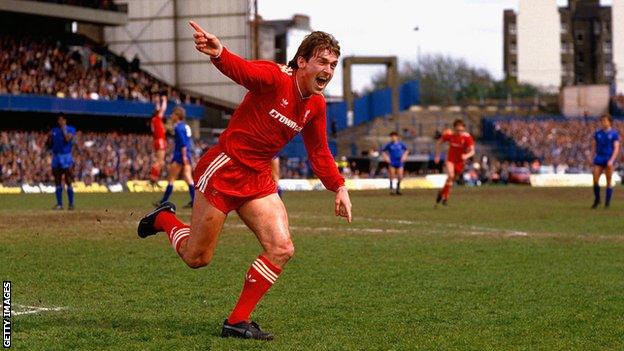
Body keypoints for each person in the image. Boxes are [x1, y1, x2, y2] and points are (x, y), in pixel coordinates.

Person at [137, 22, 352, 340]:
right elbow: (244, 71)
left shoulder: (316, 105)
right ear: (302, 61)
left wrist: (339, 186)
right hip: (224, 170)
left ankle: (237, 321)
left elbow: (319, 152)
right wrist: (220, 53)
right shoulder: (275, 78)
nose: (329, 70)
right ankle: (164, 219)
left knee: (281, 248)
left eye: (333, 64)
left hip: (258, 177)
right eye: (323, 62)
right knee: (197, 258)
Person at [156, 106, 195, 208]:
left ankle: (163, 201)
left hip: (180, 155)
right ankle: (194, 200)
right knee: (189, 178)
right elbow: (188, 142)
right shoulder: (186, 126)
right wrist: (187, 156)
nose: (171, 116)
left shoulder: (178, 127)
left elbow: (182, 143)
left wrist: (183, 156)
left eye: (173, 114)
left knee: (171, 178)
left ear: (177, 116)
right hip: (187, 154)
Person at [434, 119, 474, 206]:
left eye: (461, 130)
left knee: (451, 180)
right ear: (454, 128)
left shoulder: (467, 137)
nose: (459, 132)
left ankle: (442, 193)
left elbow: (472, 151)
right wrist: (437, 155)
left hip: (460, 162)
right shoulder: (450, 135)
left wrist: (466, 156)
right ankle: (445, 199)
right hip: (450, 160)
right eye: (457, 130)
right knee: (451, 176)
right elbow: (438, 143)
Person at [591, 113, 620, 209]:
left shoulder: (614, 134)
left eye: (605, 121)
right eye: (602, 121)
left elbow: (616, 148)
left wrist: (612, 160)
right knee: (595, 179)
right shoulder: (598, 133)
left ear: (610, 122)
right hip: (599, 158)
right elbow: (594, 146)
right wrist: (592, 156)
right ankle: (597, 199)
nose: (603, 123)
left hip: (608, 159)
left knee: (608, 181)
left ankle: (607, 203)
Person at [48, 115, 76, 210]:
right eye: (58, 120)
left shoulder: (71, 129)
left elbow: (67, 139)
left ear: (65, 120)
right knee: (57, 180)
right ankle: (59, 204)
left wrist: (64, 129)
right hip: (56, 157)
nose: (60, 121)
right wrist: (50, 137)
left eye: (61, 119)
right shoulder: (54, 130)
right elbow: (49, 145)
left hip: (66, 156)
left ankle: (71, 204)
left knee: (68, 180)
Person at [149, 95, 168, 185]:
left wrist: (157, 102)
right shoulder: (157, 119)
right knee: (159, 161)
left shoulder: (154, 120)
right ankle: (153, 178)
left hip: (157, 141)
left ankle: (154, 178)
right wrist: (164, 100)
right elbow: (162, 109)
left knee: (160, 162)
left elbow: (158, 109)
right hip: (160, 141)